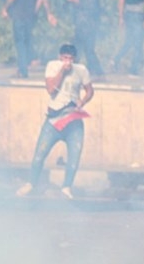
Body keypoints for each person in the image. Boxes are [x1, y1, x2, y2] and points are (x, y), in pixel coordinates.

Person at [16, 44, 94, 200]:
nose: (68, 61)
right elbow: (51, 89)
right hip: (53, 119)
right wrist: (62, 72)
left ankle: (66, 187)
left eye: (71, 59)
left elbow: (90, 90)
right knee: (40, 154)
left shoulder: (81, 70)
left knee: (74, 155)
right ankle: (31, 183)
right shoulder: (53, 66)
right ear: (60, 57)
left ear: (74, 59)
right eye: (65, 58)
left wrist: (83, 101)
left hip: (72, 119)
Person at [2, 0, 55, 79]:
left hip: (19, 14)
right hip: (30, 15)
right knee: (26, 41)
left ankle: (23, 70)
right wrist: (48, 13)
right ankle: (26, 65)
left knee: (20, 43)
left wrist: (5, 8)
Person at [64, 0, 103, 79]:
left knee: (85, 47)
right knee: (82, 47)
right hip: (82, 22)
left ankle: (97, 72)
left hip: (87, 22)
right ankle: (95, 71)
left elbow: (89, 5)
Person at [112, 0, 144, 77]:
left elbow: (121, 0)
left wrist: (121, 17)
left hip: (128, 14)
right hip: (138, 15)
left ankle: (116, 59)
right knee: (138, 43)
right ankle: (133, 70)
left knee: (128, 41)